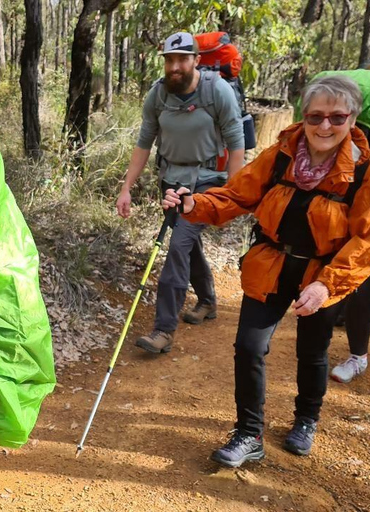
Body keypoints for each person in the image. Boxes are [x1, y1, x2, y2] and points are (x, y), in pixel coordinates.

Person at [162, 75, 370, 467]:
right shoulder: (281, 154)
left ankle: (306, 419)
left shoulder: (363, 170)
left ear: (352, 119)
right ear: (304, 117)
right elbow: (237, 194)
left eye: (337, 117)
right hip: (270, 263)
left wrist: (327, 286)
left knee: (313, 351)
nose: (325, 126)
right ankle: (248, 432)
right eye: (315, 116)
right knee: (249, 347)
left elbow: (365, 240)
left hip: (322, 275)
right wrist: (194, 205)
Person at [116, 31, 245, 354]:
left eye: (182, 59)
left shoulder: (217, 92)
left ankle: (163, 330)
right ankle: (207, 300)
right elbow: (144, 143)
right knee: (188, 244)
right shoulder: (158, 95)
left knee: (178, 245)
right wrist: (126, 188)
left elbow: (235, 141)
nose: (175, 66)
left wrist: (233, 196)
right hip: (171, 181)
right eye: (170, 60)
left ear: (196, 60)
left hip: (208, 182)